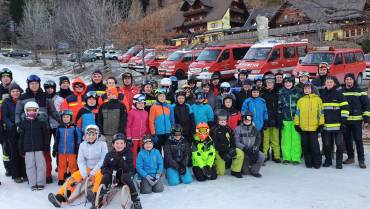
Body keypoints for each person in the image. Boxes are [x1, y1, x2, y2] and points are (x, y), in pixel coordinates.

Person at [48, 125, 107, 208]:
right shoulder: (83, 145)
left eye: (93, 134)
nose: (91, 137)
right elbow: (80, 161)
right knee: (75, 176)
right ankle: (60, 197)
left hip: (99, 168)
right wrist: (84, 173)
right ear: (86, 135)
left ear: (97, 135)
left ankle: (95, 196)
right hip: (87, 168)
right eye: (89, 135)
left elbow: (103, 160)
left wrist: (93, 172)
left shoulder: (102, 144)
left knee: (98, 176)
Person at [16, 75, 59, 183]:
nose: (34, 85)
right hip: (28, 129)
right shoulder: (23, 97)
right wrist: (19, 124)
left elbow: (53, 112)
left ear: (39, 84)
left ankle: (47, 174)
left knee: (45, 151)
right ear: (28, 85)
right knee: (31, 154)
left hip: (44, 129)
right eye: (32, 84)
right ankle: (33, 176)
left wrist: (62, 121)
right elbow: (18, 113)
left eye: (36, 83)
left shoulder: (46, 96)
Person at [100, 133, 142, 209]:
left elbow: (130, 169)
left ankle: (135, 199)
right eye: (117, 143)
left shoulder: (128, 153)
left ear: (125, 144)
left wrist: (119, 158)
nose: (119, 145)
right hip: (114, 177)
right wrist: (111, 172)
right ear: (113, 144)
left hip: (125, 177)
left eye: (121, 143)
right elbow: (103, 168)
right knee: (106, 176)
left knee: (126, 176)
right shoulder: (109, 155)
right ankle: (100, 196)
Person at [341, 73, 369, 168]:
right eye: (347, 79)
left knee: (358, 140)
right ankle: (350, 157)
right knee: (347, 140)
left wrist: (366, 120)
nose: (348, 81)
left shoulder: (360, 91)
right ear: (344, 81)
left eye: (350, 79)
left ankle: (361, 160)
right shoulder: (341, 91)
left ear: (353, 80)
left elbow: (366, 106)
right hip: (346, 121)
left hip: (357, 121)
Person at [18, 101, 49, 190]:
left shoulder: (41, 123)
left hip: (39, 148)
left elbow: (46, 136)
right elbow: (21, 137)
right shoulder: (23, 123)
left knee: (41, 165)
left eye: (34, 110)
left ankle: (40, 183)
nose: (31, 112)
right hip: (28, 149)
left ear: (37, 111)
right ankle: (32, 183)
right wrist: (21, 148)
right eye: (29, 110)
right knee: (30, 166)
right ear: (25, 111)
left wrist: (46, 146)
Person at [320, 76, 349, 169]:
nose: (329, 84)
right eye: (327, 82)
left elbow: (345, 108)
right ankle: (328, 160)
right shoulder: (322, 94)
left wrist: (343, 122)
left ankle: (339, 162)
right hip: (325, 126)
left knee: (339, 145)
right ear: (325, 84)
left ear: (334, 84)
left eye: (330, 82)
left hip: (338, 126)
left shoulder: (339, 93)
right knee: (327, 145)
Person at [294, 82, 324, 169]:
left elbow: (321, 113)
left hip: (314, 127)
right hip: (303, 128)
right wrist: (297, 124)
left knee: (314, 146)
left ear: (312, 89)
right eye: (305, 88)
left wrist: (321, 124)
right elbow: (297, 113)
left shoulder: (318, 100)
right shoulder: (300, 100)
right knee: (305, 145)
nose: (307, 90)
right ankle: (308, 162)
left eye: (308, 88)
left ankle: (317, 162)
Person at [2, 83, 26, 183]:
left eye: (17, 91)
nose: (15, 93)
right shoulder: (6, 102)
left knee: (23, 152)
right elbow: (5, 116)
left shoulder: (23, 100)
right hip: (11, 130)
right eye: (13, 91)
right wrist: (12, 125)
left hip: (23, 129)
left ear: (20, 91)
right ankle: (16, 175)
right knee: (14, 152)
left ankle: (24, 173)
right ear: (10, 93)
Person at [211, 110, 244, 178]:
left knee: (240, 153)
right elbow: (215, 143)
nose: (223, 121)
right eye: (220, 119)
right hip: (219, 151)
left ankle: (235, 170)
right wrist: (222, 152)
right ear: (217, 119)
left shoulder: (228, 128)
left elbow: (232, 140)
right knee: (221, 173)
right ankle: (213, 165)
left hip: (228, 149)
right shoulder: (214, 130)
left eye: (224, 119)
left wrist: (231, 149)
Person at [278, 74, 303, 164]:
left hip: (296, 119)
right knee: (285, 140)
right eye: (286, 82)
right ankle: (286, 157)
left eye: (289, 82)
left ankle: (296, 158)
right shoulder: (281, 92)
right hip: (285, 119)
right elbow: (279, 106)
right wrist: (280, 118)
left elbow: (301, 106)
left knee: (296, 139)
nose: (288, 84)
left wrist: (300, 118)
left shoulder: (298, 91)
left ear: (293, 83)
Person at [53, 110, 82, 185]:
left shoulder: (75, 128)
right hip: (61, 150)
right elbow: (56, 139)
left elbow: (78, 138)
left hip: (72, 150)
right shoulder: (59, 128)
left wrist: (77, 148)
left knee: (72, 165)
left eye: (67, 117)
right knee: (61, 165)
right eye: (64, 117)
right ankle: (61, 178)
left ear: (71, 118)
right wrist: (54, 148)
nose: (66, 118)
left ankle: (74, 179)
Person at [234, 112, 264, 177]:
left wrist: (255, 148)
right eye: (245, 118)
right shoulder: (238, 129)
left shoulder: (255, 129)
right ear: (242, 119)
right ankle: (244, 168)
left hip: (252, 149)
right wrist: (245, 148)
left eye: (249, 118)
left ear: (251, 119)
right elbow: (236, 142)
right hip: (244, 150)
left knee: (261, 156)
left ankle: (254, 171)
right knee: (245, 172)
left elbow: (258, 139)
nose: (247, 120)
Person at [44, 80, 62, 183]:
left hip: (57, 126)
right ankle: (47, 171)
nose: (49, 89)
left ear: (55, 88)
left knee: (59, 147)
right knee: (46, 147)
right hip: (46, 126)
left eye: (51, 87)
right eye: (47, 88)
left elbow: (62, 112)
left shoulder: (60, 99)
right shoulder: (43, 98)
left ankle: (60, 167)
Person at [126, 94, 149, 167]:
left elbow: (147, 124)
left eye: (142, 103)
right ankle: (134, 167)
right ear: (135, 103)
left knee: (143, 152)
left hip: (142, 136)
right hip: (134, 137)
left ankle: (143, 166)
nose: (141, 105)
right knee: (134, 153)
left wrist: (148, 135)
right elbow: (128, 125)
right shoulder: (131, 112)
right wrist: (129, 137)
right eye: (139, 103)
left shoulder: (145, 113)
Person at [0, 68, 13, 177]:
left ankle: (16, 166)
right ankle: (8, 167)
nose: (5, 78)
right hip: (1, 123)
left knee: (14, 145)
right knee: (5, 147)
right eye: (3, 77)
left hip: (11, 123)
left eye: (7, 76)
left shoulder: (15, 89)